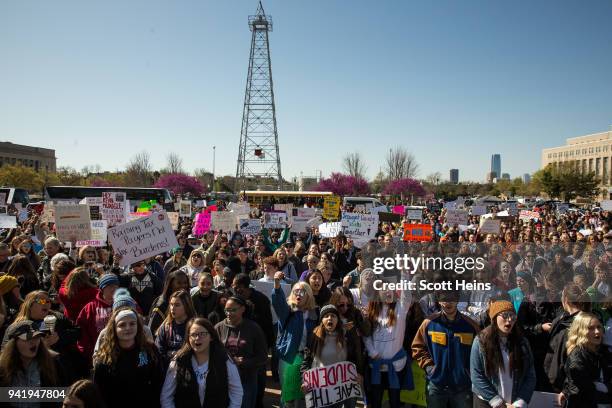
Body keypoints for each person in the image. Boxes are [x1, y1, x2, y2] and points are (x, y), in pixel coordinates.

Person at [412, 291, 479, 408]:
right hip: (436, 386)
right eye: (444, 299)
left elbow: (481, 353)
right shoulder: (429, 323)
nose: (448, 303)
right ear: (438, 300)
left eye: (452, 299)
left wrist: (469, 372)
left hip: (463, 387)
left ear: (457, 300)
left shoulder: (471, 325)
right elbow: (417, 347)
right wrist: (429, 367)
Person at [160, 317, 243, 407]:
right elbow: (166, 396)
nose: (197, 338)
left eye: (202, 334)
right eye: (193, 334)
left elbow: (236, 392)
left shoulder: (225, 360)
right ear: (188, 338)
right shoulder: (179, 361)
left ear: (211, 337)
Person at [470, 300, 537, 408]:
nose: (510, 319)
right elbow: (476, 375)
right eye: (505, 315)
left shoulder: (522, 343)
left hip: (513, 403)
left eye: (512, 316)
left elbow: (530, 375)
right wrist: (497, 402)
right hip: (486, 402)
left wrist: (519, 403)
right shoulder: (480, 341)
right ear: (494, 318)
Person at [93, 307, 164, 408]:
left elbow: (159, 381)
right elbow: (100, 394)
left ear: (138, 326)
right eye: (122, 325)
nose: (128, 328)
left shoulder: (150, 349)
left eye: (132, 323)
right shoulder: (105, 357)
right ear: (114, 328)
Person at [300, 304, 364, 408]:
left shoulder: (346, 336)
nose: (330, 318)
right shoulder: (314, 337)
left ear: (338, 320)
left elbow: (353, 358)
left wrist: (357, 373)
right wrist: (304, 381)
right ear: (322, 321)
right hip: (320, 390)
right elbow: (306, 361)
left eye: (333, 316)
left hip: (340, 389)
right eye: (327, 316)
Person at [272, 273, 318, 408]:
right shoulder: (288, 312)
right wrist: (276, 284)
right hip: (289, 358)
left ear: (308, 295)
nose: (298, 294)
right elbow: (278, 302)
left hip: (306, 360)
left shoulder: (314, 315)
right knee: (288, 397)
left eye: (302, 291)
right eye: (296, 291)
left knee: (302, 395)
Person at [215, 296, 268, 408]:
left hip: (246, 380)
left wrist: (245, 362)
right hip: (224, 379)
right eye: (226, 310)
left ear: (242, 309)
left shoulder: (253, 328)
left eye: (233, 310)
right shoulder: (218, 328)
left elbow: (263, 357)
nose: (229, 313)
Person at [0, 320, 69, 396]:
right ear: (13, 343)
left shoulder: (53, 363)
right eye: (28, 338)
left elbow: (62, 396)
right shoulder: (3, 368)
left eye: (36, 337)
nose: (33, 342)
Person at [561, 312, 612, 407]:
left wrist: (606, 387)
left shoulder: (602, 352)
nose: (597, 331)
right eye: (591, 328)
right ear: (580, 331)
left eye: (599, 327)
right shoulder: (577, 357)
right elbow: (584, 392)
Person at [76, 273, 119, 364]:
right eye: (109, 286)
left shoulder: (126, 302)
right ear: (102, 289)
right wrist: (88, 351)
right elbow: (81, 330)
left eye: (116, 286)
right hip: (99, 353)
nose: (113, 289)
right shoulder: (90, 307)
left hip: (122, 351)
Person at [155, 290, 195, 367]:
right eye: (171, 304)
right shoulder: (166, 327)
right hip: (168, 370)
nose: (172, 308)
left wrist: (176, 353)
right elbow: (159, 351)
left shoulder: (194, 326)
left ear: (186, 306)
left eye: (177, 305)